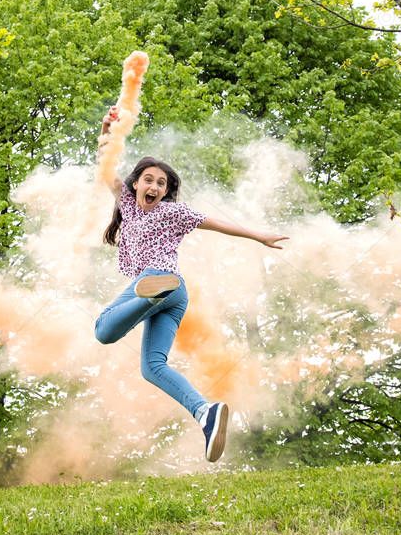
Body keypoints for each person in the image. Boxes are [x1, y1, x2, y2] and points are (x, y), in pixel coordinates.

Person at [94, 106, 289, 462]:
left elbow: (216, 223)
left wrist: (259, 235)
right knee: (153, 367)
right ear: (135, 184)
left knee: (103, 330)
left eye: (162, 184)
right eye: (149, 180)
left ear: (166, 193)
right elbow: (106, 165)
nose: (154, 186)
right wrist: (107, 128)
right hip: (173, 296)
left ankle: (152, 293)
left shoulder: (172, 212)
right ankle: (205, 413)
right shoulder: (127, 203)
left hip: (159, 281)